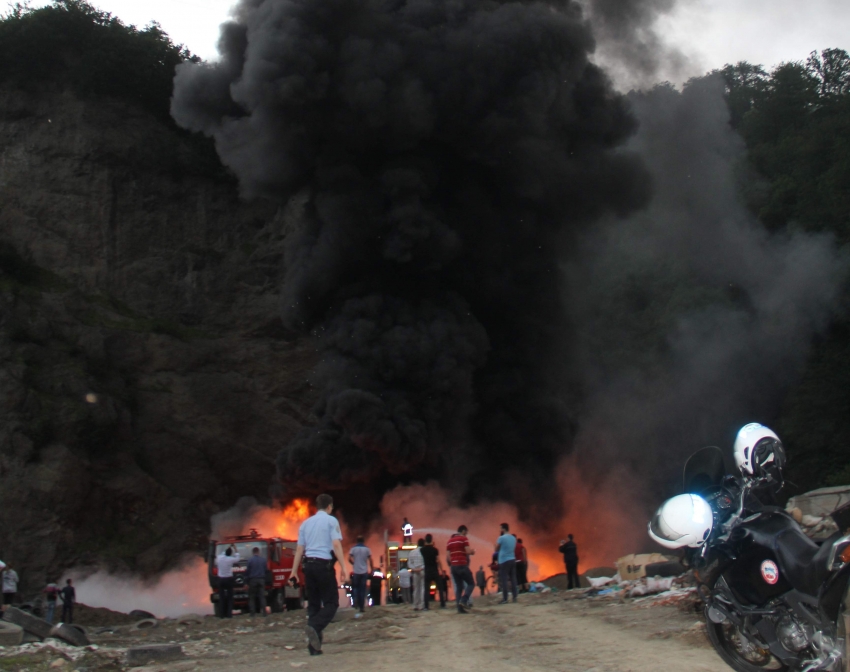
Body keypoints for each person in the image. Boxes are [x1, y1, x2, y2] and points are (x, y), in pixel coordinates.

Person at [291, 493, 348, 656]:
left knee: (314, 605)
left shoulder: (305, 524)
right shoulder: (331, 521)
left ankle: (314, 648)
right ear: (329, 506)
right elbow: (336, 544)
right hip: (324, 566)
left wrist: (293, 572)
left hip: (308, 566)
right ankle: (314, 626)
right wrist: (344, 567)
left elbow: (300, 549)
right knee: (332, 603)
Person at [446, 525, 475, 613]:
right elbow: (468, 551)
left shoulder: (449, 541)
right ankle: (464, 600)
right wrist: (473, 552)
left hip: (453, 567)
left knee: (459, 587)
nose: (466, 534)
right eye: (466, 532)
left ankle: (460, 609)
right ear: (463, 531)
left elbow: (448, 557)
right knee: (471, 584)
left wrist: (452, 564)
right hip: (462, 565)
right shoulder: (464, 539)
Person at [348, 536, 373, 613]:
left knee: (355, 588)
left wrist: (353, 563)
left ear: (357, 541)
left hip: (356, 572)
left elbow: (349, 558)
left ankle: (356, 603)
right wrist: (371, 569)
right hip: (364, 572)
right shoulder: (367, 549)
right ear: (363, 541)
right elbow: (370, 560)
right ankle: (362, 607)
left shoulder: (353, 549)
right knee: (362, 589)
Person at [495, 523, 518, 604]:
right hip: (512, 559)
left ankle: (505, 599)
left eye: (500, 528)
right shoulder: (513, 538)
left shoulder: (501, 538)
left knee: (504, 580)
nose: (500, 530)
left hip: (504, 561)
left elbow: (496, 549)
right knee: (513, 579)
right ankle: (515, 597)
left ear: (503, 529)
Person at [215, 545, 240, 618]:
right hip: (229, 579)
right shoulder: (230, 559)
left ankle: (222, 615)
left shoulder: (219, 558)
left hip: (221, 580)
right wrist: (235, 548)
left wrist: (229, 546)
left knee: (222, 598)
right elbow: (237, 558)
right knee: (230, 598)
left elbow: (221, 554)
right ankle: (229, 615)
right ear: (230, 554)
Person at [420, 533, 442, 610]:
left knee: (426, 589)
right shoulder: (435, 550)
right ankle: (443, 604)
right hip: (435, 570)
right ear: (432, 540)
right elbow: (438, 560)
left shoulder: (422, 550)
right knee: (440, 587)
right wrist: (441, 570)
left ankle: (426, 606)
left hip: (427, 571)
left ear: (425, 540)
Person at [246, 546, 267, 617]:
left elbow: (247, 572)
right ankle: (264, 612)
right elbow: (266, 570)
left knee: (252, 597)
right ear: (258, 552)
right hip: (261, 580)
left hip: (253, 580)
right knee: (262, 596)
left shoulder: (250, 560)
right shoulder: (263, 560)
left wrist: (246, 582)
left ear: (253, 552)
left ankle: (252, 613)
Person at [408, 539, 426, 610]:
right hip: (423, 571)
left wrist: (414, 569)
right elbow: (426, 562)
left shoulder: (412, 552)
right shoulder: (424, 552)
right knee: (423, 588)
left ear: (417, 544)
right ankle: (422, 605)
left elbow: (409, 563)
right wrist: (421, 568)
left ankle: (415, 605)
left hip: (415, 571)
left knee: (416, 589)